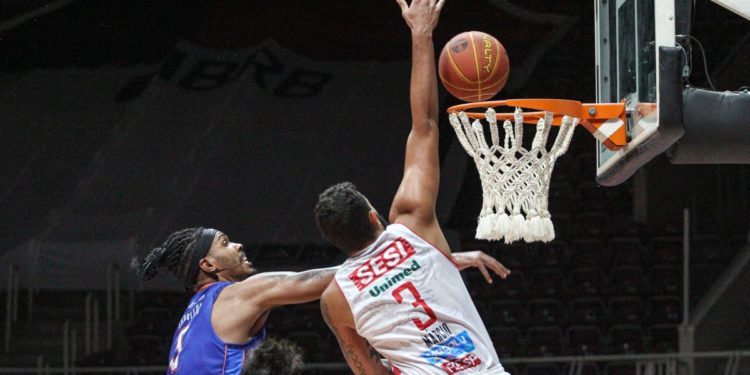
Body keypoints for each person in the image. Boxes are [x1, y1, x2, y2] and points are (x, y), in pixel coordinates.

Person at [314, 0, 512, 374]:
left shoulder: (335, 298)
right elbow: (425, 124)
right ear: (373, 214)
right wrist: (421, 34)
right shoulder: (412, 222)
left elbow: (367, 371)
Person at [132, 227, 506, 374]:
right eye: (226, 244)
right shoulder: (234, 293)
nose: (239, 244)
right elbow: (331, 278)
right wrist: (434, 259)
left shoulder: (192, 314)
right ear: (208, 264)